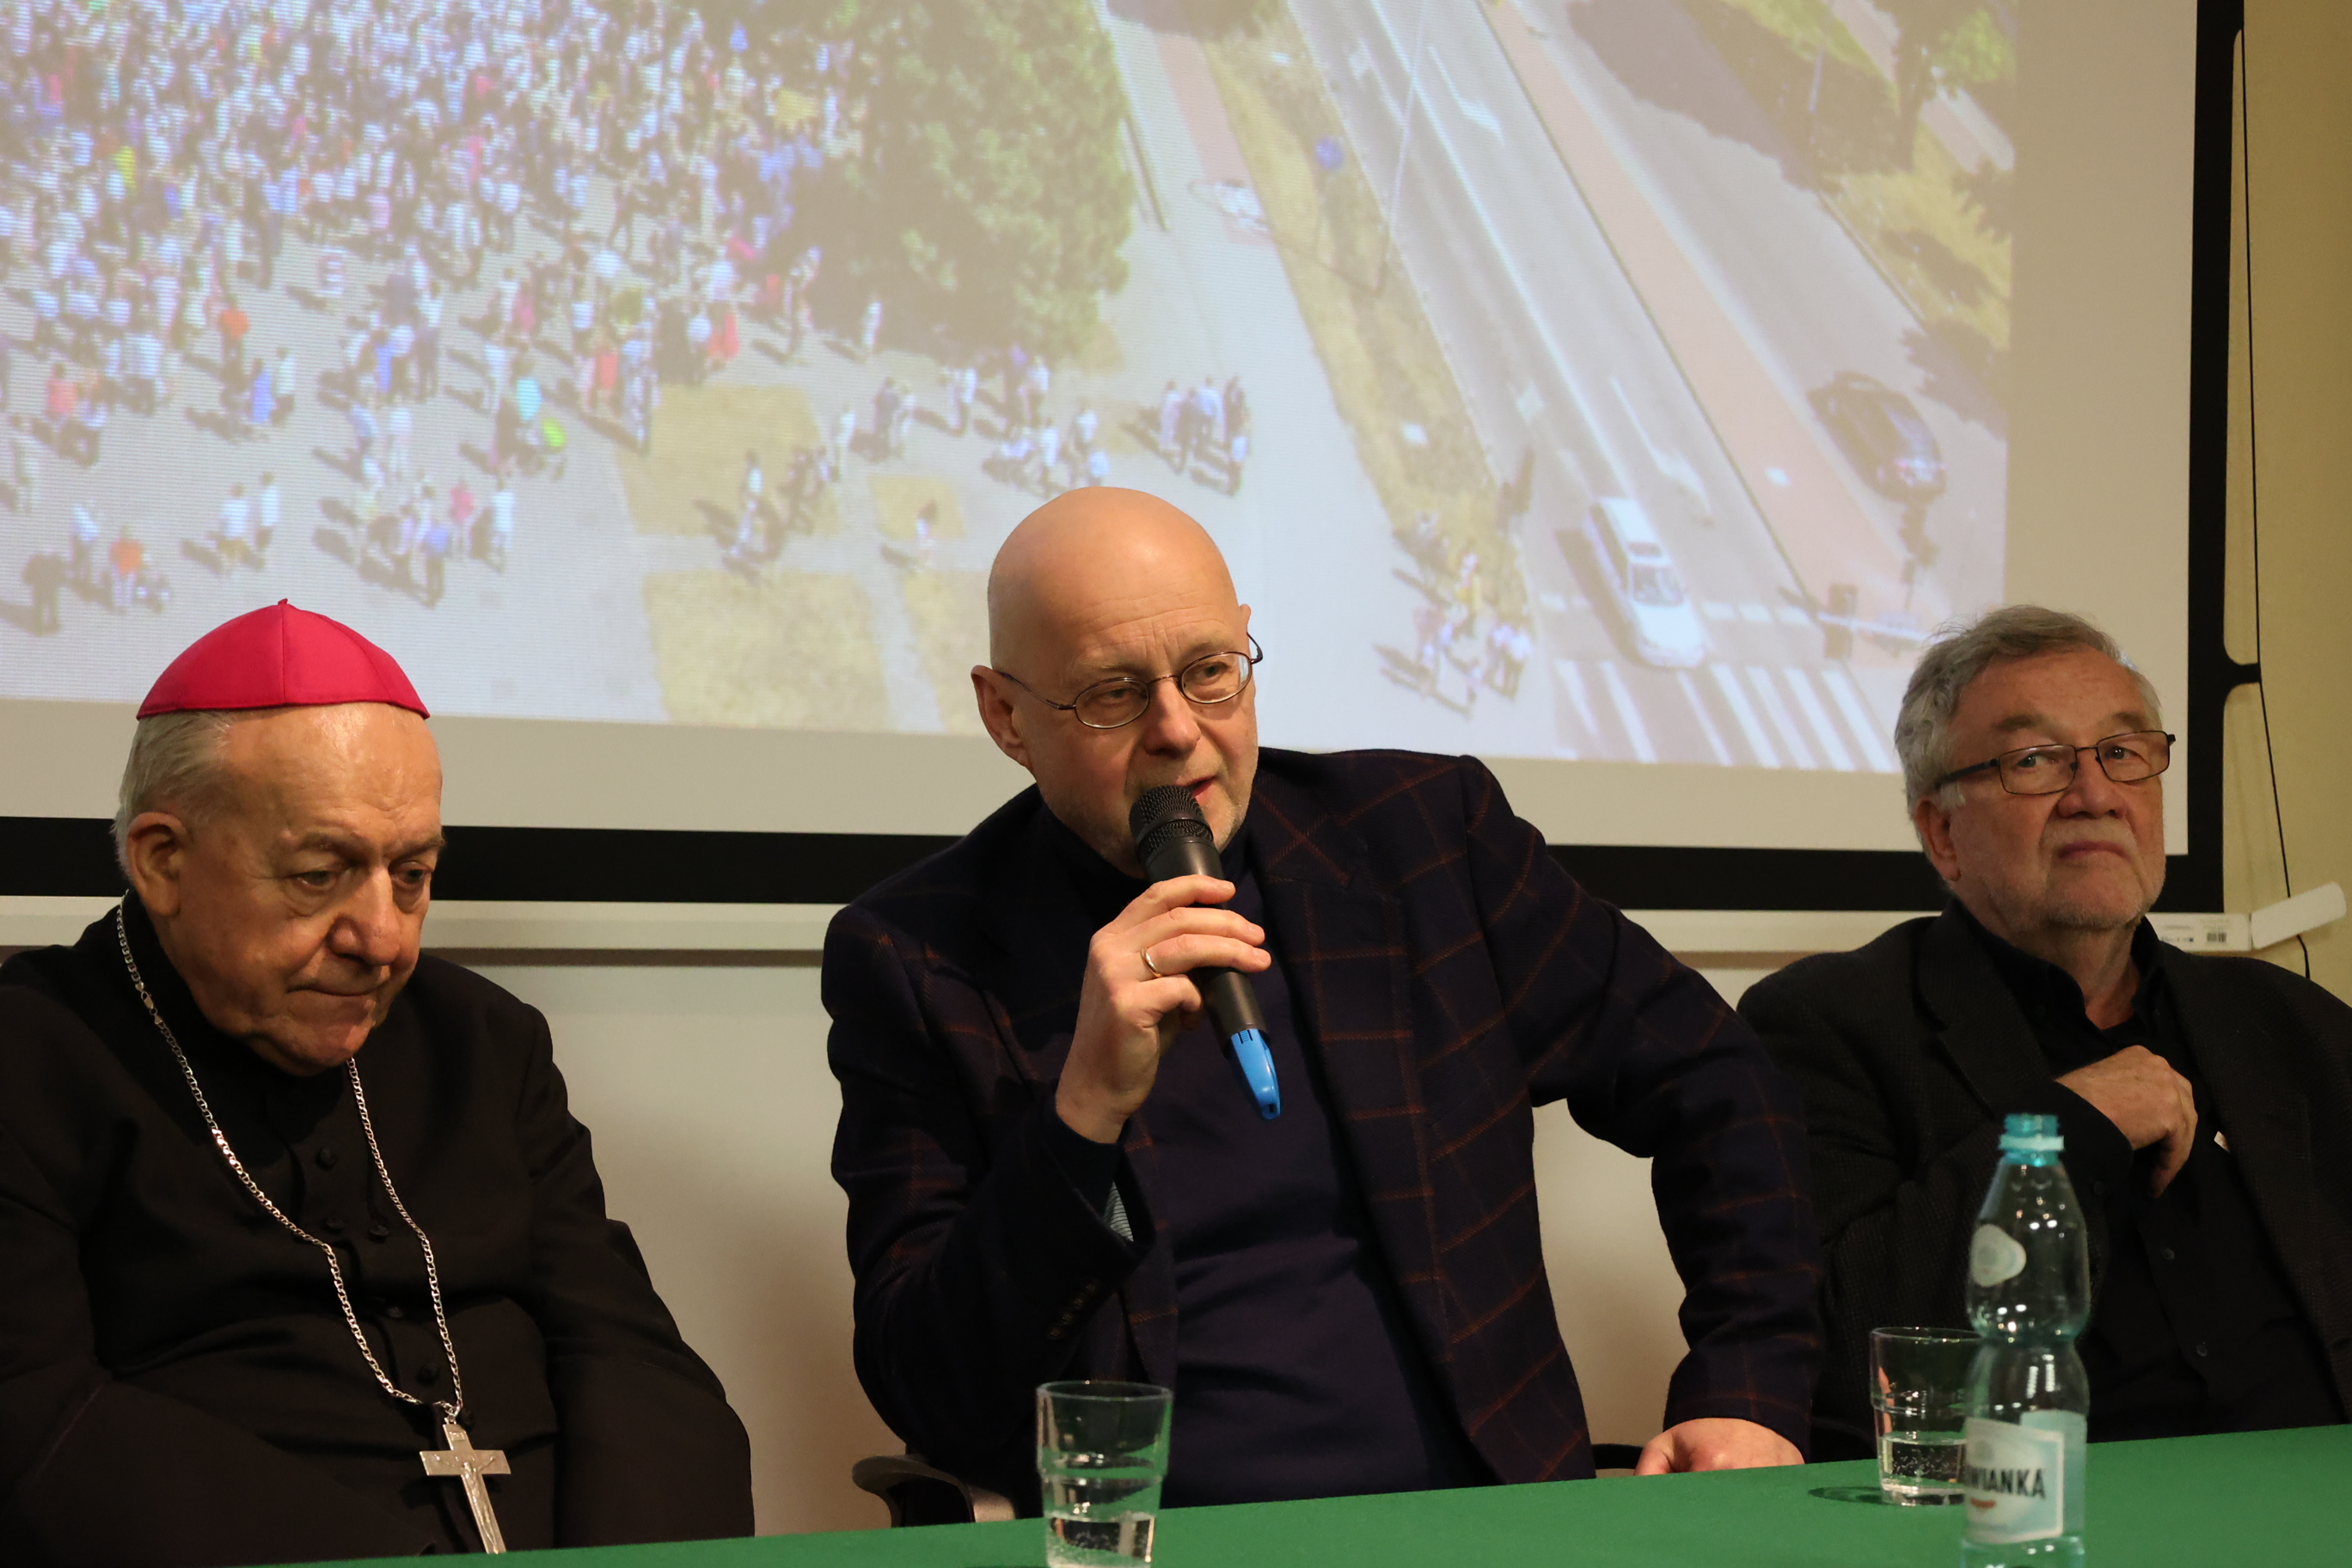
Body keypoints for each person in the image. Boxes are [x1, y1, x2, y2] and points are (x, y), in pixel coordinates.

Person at [824, 489, 1819, 1512]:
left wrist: (1749, 1386)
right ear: (1006, 716)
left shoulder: (1425, 843)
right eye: (1113, 695)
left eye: (1210, 672)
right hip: (1163, 1537)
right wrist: (1080, 1116)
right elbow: (931, 1387)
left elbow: (1718, 1083)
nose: (1178, 731)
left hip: (1486, 1522)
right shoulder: (918, 957)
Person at [0, 603, 756, 1565]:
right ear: (163, 860)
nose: (385, 939)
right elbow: (33, 1417)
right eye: (321, 874)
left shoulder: (485, 1041)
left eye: (412, 874)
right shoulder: (31, 1056)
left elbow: (630, 1353)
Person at [1741, 606, 2352, 1458]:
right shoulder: (1825, 1026)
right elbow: (1835, 1349)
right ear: (1942, 832)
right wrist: (2064, 1132)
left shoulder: (2291, 1023)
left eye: (2123, 752)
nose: (2095, 796)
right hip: (2024, 1507)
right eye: (2034, 761)